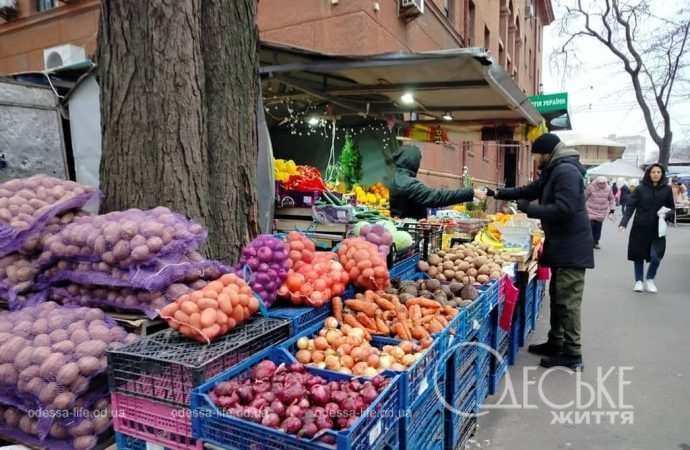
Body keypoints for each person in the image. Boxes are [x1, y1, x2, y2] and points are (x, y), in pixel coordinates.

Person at [488, 133, 593, 370]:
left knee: (568, 301)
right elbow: (532, 188)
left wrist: (530, 209)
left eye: (536, 154)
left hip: (572, 248)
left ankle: (573, 354)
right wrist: (498, 193)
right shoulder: (556, 169)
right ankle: (556, 343)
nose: (534, 159)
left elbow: (564, 208)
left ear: (546, 153)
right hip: (563, 245)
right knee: (558, 297)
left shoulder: (566, 171)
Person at [619, 164, 675, 293]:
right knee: (638, 255)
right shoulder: (640, 189)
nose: (655, 174)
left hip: (658, 229)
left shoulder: (667, 189)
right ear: (648, 174)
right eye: (653, 172)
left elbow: (672, 208)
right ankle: (638, 281)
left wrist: (666, 213)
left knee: (656, 256)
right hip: (640, 227)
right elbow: (630, 206)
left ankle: (650, 279)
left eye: (658, 172)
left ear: (662, 174)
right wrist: (623, 223)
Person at [389, 145, 484, 219]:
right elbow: (437, 197)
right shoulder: (408, 184)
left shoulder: (390, 177)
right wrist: (470, 192)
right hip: (407, 234)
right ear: (413, 163)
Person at [585, 176, 616, 249]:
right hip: (590, 210)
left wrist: (612, 209)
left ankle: (596, 242)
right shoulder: (591, 187)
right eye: (600, 183)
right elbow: (584, 197)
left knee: (598, 228)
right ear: (597, 182)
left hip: (601, 212)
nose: (602, 184)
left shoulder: (608, 188)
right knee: (591, 227)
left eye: (603, 183)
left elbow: (611, 199)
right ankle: (590, 242)